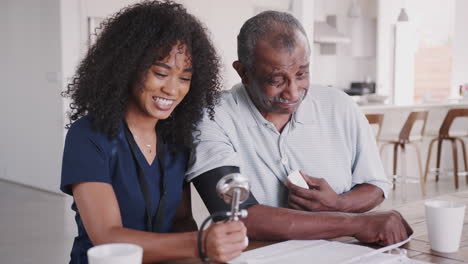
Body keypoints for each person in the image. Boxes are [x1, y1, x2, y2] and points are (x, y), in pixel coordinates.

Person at [187, 10, 413, 245]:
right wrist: (352, 223)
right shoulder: (212, 115)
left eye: (302, 74)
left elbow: (375, 185)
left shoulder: (340, 106)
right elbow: (237, 216)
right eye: (276, 80)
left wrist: (339, 203)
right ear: (243, 72)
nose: (293, 92)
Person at [60, 1, 247, 263]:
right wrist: (201, 243)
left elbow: (181, 222)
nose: (172, 89)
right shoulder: (88, 137)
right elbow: (107, 237)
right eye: (161, 72)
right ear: (127, 66)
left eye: (184, 78)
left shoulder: (175, 138)